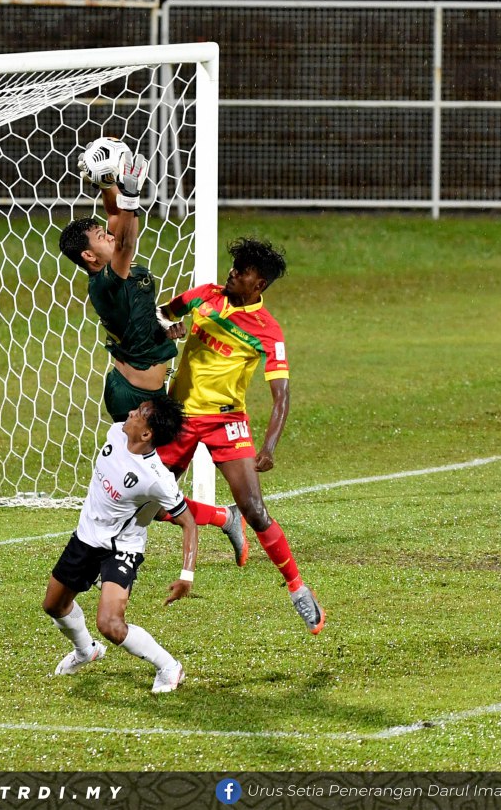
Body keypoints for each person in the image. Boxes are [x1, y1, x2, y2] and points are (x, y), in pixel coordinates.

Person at [57, 137, 247, 564]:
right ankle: (221, 518)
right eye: (99, 238)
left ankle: (220, 517)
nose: (109, 233)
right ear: (90, 256)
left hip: (147, 391)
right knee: (151, 493)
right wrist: (129, 193)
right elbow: (122, 239)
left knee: (154, 490)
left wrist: (108, 182)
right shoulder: (109, 278)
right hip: (136, 399)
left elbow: (113, 221)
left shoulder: (112, 270)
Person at [157, 237, 326, 634]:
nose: (232, 272)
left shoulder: (268, 331)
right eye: (234, 266)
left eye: (242, 270)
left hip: (226, 421)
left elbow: (281, 395)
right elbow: (162, 314)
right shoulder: (203, 296)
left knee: (255, 507)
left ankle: (299, 589)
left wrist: (268, 446)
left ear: (259, 284)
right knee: (148, 503)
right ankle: (221, 518)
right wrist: (171, 327)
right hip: (179, 415)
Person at [42, 394, 199, 694]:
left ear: (146, 433)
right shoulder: (116, 432)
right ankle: (86, 650)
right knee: (54, 605)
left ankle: (168, 666)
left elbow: (188, 522)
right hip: (86, 537)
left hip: (120, 548)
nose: (130, 412)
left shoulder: (156, 479)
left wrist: (186, 576)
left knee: (111, 625)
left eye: (139, 412)